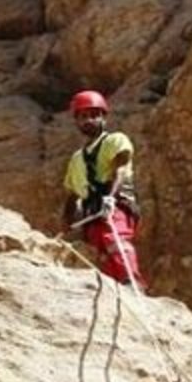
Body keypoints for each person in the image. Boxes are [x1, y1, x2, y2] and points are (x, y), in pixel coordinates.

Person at [62, 89, 146, 289]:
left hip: (115, 205)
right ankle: (115, 287)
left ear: (103, 117)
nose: (88, 120)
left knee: (115, 240)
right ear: (77, 121)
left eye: (93, 115)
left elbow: (120, 170)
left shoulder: (115, 140)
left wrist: (110, 198)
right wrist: (65, 224)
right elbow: (72, 196)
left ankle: (130, 281)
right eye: (83, 116)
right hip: (92, 213)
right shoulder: (76, 159)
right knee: (101, 250)